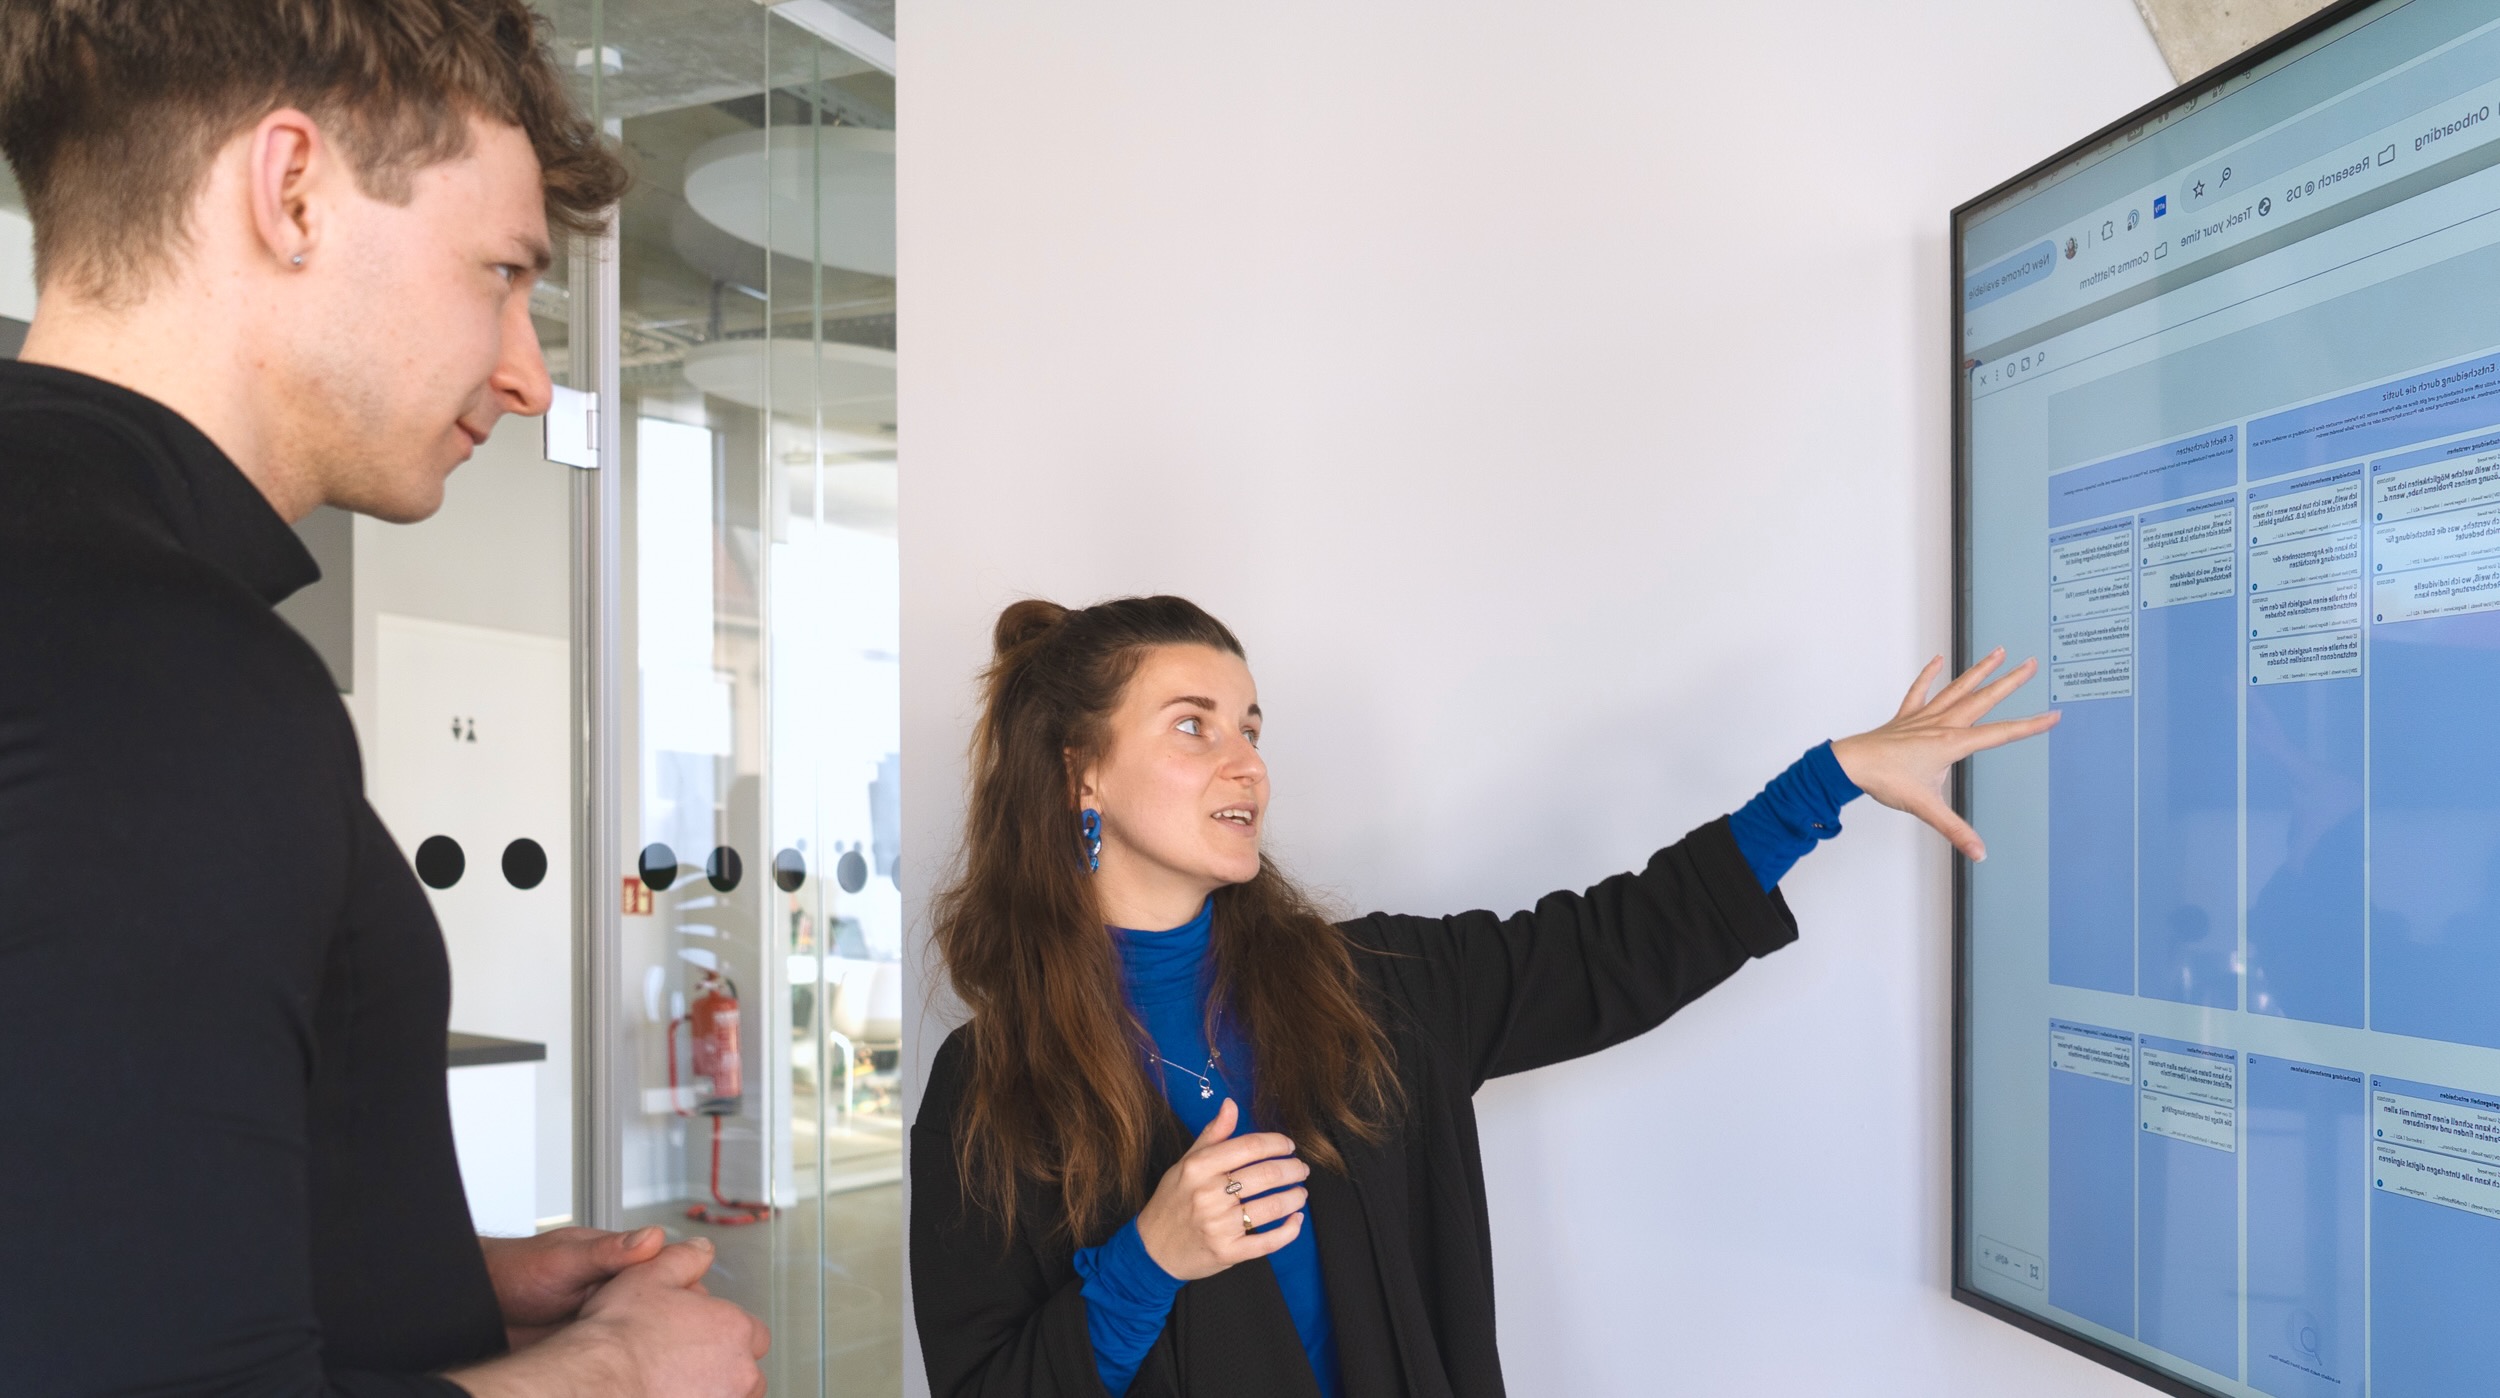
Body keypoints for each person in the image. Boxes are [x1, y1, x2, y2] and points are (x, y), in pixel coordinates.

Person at [0, 3, 765, 1395]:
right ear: (291, 189)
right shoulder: (167, 662)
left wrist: (441, 1269)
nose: (529, 374)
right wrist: (623, 1372)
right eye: (500, 272)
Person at [911, 595, 2056, 1397]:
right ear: (1081, 774)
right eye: (1193, 727)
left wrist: (1832, 779)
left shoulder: (1369, 992)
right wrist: (1148, 1259)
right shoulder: (985, 1094)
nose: (1245, 762)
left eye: (1252, 727)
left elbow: (1616, 942)